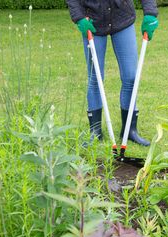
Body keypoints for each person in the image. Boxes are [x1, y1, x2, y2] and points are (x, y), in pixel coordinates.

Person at [66, 0, 159, 146]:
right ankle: (95, 132)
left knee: (131, 77)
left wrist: (151, 13)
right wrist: (79, 17)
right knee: (95, 77)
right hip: (92, 22)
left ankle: (130, 130)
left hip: (122, 17)